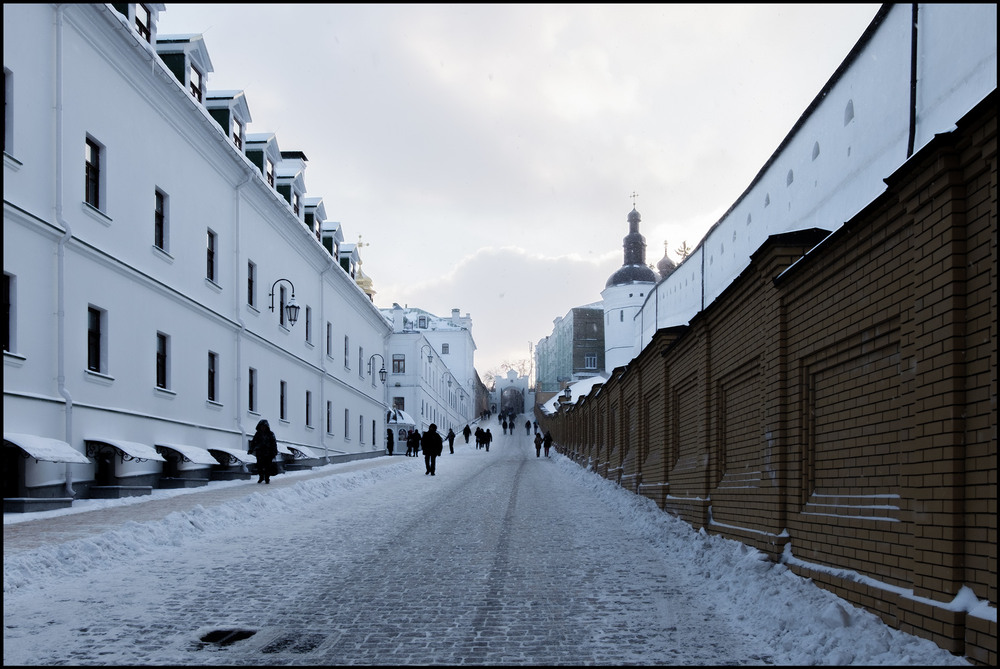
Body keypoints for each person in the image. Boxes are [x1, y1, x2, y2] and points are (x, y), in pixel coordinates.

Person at [249, 419, 278, 484]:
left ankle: (267, 478)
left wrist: (274, 452)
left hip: (268, 453)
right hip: (260, 453)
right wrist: (251, 449)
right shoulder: (258, 434)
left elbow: (274, 443)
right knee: (260, 466)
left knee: (268, 466)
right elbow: (253, 442)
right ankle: (261, 477)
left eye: (264, 426)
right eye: (261, 426)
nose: (263, 428)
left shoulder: (270, 434)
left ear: (267, 427)